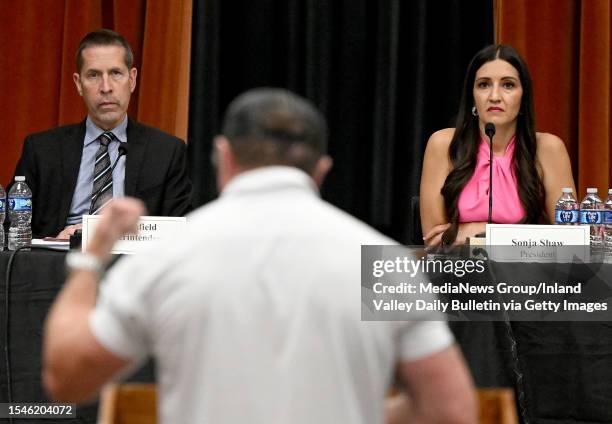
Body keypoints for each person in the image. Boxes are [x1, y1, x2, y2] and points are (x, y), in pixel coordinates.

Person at [42, 88, 476, 423]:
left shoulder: (168, 257)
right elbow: (453, 410)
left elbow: (66, 378)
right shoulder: (381, 266)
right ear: (322, 169)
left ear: (223, 157)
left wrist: (89, 261)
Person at [12, 29, 191, 239]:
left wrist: (95, 234)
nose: (106, 87)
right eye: (94, 75)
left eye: (116, 73)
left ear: (132, 79)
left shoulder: (166, 152)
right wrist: (53, 241)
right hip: (57, 262)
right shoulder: (42, 150)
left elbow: (180, 231)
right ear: (79, 84)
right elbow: (13, 228)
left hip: (130, 264)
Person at [420, 44, 576, 246]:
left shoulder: (548, 149)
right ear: (472, 97)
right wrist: (519, 236)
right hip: (458, 272)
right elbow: (434, 241)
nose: (494, 96)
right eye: (484, 84)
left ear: (523, 96)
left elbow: (571, 240)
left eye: (508, 85)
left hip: (529, 274)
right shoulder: (443, 144)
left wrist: (477, 231)